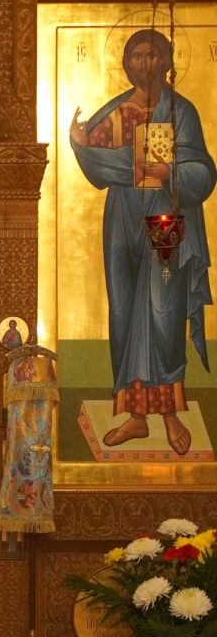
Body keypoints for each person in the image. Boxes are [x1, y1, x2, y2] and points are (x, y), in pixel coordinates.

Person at [70, 28, 216, 455]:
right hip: (122, 216)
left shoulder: (180, 111)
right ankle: (135, 416)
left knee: (163, 307)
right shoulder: (117, 110)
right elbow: (97, 163)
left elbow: (203, 171)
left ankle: (169, 413)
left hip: (165, 212)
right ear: (126, 63)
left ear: (166, 61)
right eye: (136, 55)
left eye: (152, 55)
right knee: (123, 307)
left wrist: (169, 171)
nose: (144, 63)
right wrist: (79, 144)